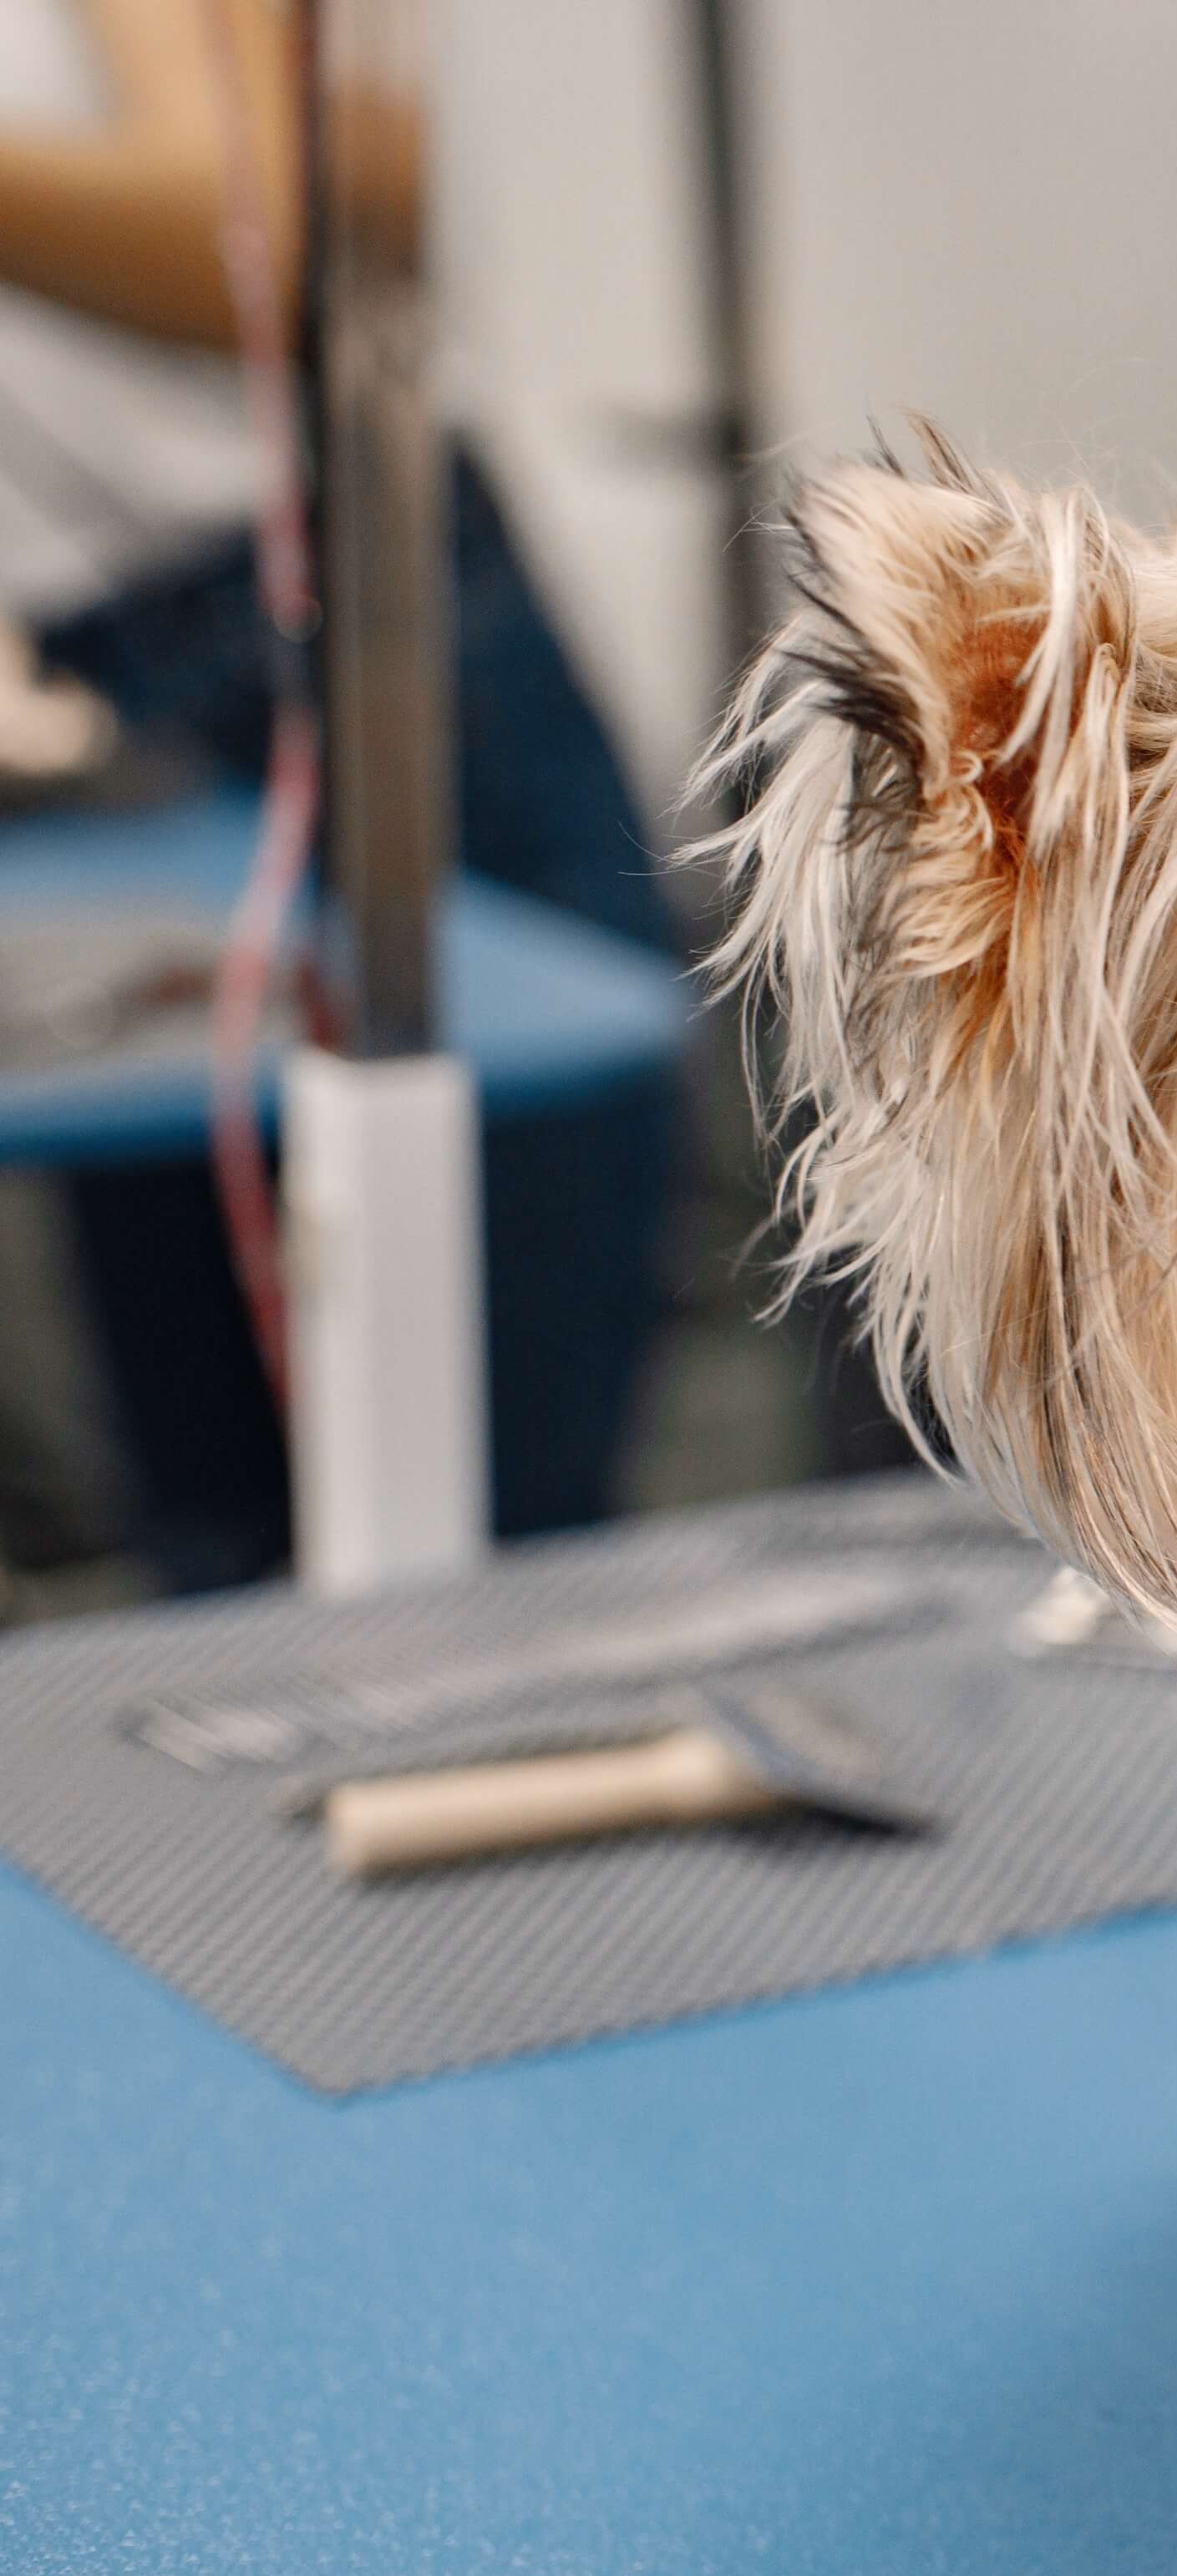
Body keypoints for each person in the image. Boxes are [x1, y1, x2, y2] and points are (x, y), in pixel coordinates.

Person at [0, 0, 683, 1584]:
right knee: (217, 1556)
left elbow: (294, 225)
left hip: (351, 656)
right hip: (106, 692)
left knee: (492, 1538)